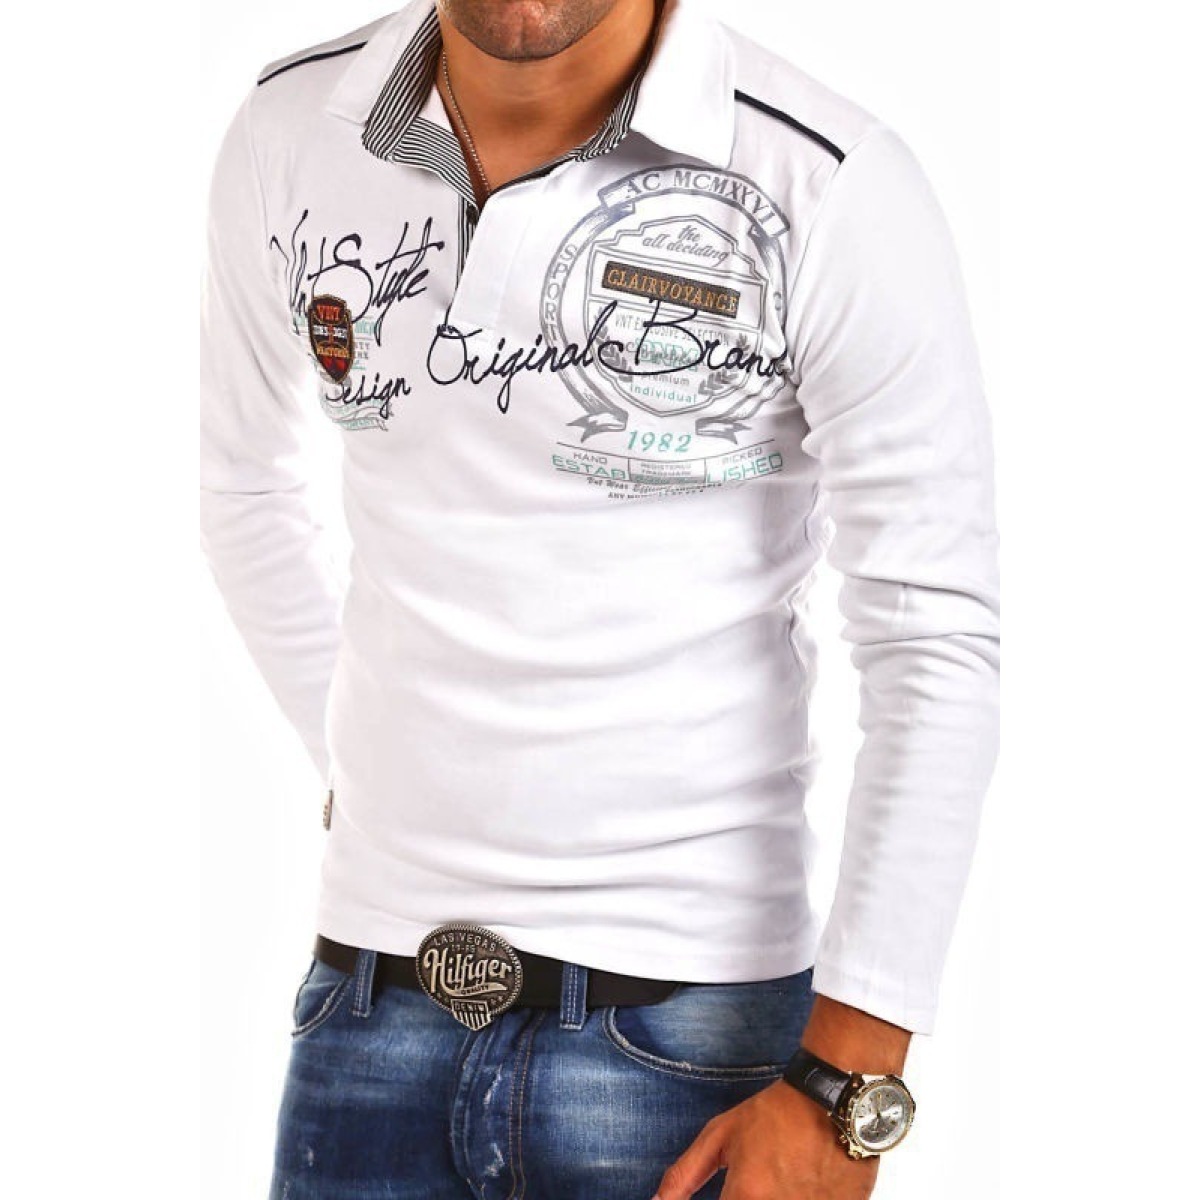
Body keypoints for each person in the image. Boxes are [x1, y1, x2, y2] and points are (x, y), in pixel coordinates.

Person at [198, 0, 1000, 1196]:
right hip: (369, 1009)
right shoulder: (292, 128)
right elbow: (245, 493)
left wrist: (847, 1082)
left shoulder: (821, 179)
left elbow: (931, 630)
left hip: (693, 1033)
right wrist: (376, 769)